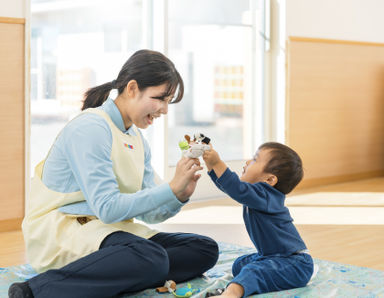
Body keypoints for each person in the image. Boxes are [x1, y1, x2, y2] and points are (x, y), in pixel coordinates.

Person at [9, 50, 219, 298]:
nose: (163, 109)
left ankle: (127, 272)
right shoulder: (91, 127)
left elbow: (151, 214)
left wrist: (180, 194)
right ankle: (33, 291)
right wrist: (170, 188)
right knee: (151, 257)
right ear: (132, 88)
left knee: (203, 248)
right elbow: (107, 207)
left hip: (110, 228)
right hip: (65, 226)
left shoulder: (136, 138)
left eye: (167, 101)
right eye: (160, 98)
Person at [202, 142, 313, 297]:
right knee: (239, 265)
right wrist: (210, 165)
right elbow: (229, 187)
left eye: (254, 159)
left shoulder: (266, 195)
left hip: (295, 264)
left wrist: (217, 163)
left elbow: (235, 187)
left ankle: (231, 294)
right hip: (272, 256)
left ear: (269, 180)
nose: (247, 162)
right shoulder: (257, 195)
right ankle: (246, 282)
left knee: (252, 271)